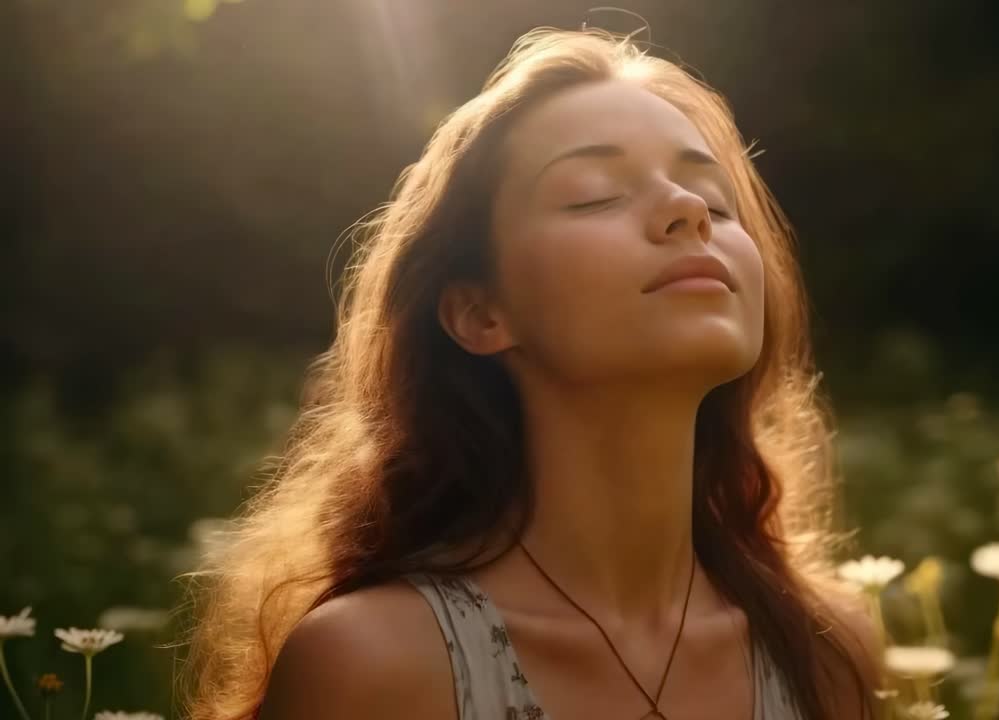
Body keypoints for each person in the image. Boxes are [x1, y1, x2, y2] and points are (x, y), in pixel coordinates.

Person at [180, 26, 881, 720]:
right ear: (480, 314)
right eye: (595, 194)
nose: (690, 210)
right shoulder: (373, 667)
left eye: (717, 200)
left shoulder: (825, 653)